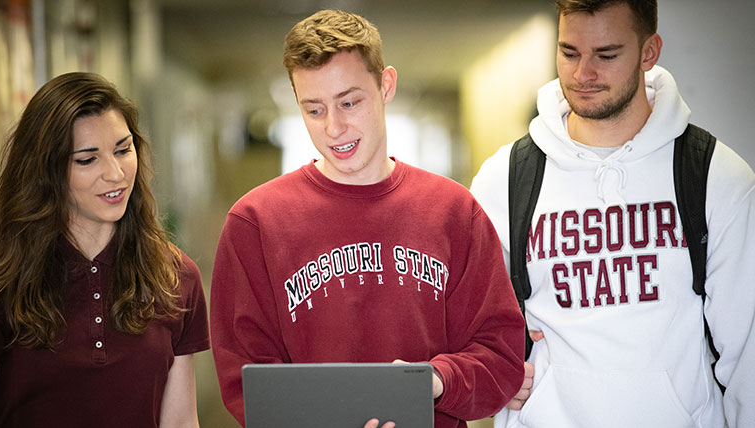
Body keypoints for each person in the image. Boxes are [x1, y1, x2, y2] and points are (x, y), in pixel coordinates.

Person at [209, 9, 525, 428]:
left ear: (385, 85)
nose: (335, 128)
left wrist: (431, 381)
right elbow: (246, 379)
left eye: (349, 102)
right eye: (314, 110)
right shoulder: (255, 223)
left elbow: (500, 355)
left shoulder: (454, 211)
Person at [470, 0, 755, 427]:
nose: (583, 73)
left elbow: (747, 356)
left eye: (606, 55)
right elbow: (467, 331)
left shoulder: (714, 175)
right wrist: (496, 366)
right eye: (569, 53)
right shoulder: (504, 178)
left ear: (649, 52)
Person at [0, 72, 210, 428]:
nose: (115, 174)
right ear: (47, 171)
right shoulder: (4, 275)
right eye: (87, 159)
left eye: (123, 150)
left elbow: (181, 422)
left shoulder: (176, 276)